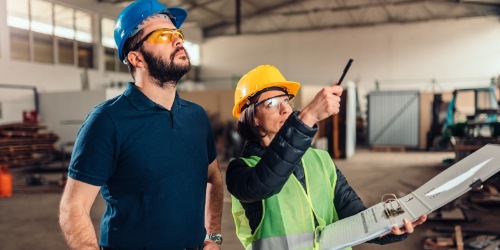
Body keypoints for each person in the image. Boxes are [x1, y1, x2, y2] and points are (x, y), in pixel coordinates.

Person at [58, 0, 223, 249]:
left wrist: (214, 236)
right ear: (136, 58)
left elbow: (214, 179)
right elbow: (74, 206)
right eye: (163, 35)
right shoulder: (107, 120)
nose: (178, 40)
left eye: (177, 33)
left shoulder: (196, 117)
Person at [226, 64, 427, 250]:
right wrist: (308, 116)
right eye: (271, 103)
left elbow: (353, 214)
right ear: (252, 116)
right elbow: (266, 181)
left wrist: (387, 228)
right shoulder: (241, 171)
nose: (285, 108)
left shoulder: (321, 160)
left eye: (286, 100)